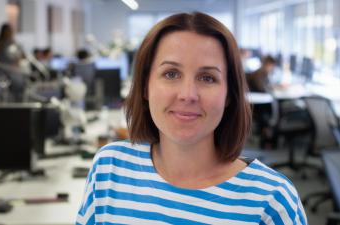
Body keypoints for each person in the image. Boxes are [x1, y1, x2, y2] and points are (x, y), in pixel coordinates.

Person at [76, 12, 307, 225]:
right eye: (171, 74)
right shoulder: (109, 168)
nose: (188, 95)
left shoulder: (272, 200)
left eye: (207, 78)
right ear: (145, 86)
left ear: (229, 94)